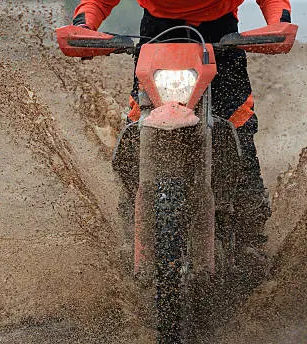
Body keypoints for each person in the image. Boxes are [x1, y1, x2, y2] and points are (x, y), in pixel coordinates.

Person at [71, 0, 291, 253]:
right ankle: (133, 235)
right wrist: (84, 25)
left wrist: (279, 24)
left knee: (238, 131)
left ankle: (251, 247)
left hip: (221, 38)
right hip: (156, 36)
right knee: (136, 132)